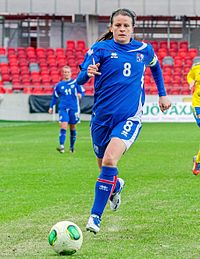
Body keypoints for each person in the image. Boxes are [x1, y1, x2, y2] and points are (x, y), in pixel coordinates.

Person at [77, 8, 171, 234]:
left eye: (126, 25)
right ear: (111, 28)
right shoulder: (100, 49)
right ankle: (116, 185)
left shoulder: (143, 50)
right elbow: (80, 78)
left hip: (129, 117)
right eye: (117, 25)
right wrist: (87, 73)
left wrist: (162, 93)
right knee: (104, 167)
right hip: (100, 118)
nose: (122, 29)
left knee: (110, 160)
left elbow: (156, 67)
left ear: (132, 29)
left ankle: (95, 217)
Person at [49, 65, 84, 153]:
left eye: (68, 72)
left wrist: (80, 95)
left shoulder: (76, 83)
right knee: (64, 125)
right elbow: (54, 97)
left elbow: (82, 92)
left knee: (72, 127)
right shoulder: (59, 85)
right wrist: (51, 107)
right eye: (64, 72)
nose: (66, 74)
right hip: (63, 108)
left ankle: (72, 147)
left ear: (70, 73)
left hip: (74, 108)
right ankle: (61, 147)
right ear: (62, 73)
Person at [187, 61, 200, 175]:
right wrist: (191, 82)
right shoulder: (197, 67)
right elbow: (190, 75)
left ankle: (198, 160)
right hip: (198, 105)